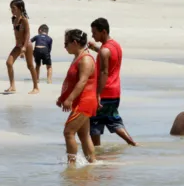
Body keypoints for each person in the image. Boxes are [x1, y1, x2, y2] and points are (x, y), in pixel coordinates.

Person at [88, 18, 137, 147]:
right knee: (113, 119)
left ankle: (95, 152)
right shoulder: (115, 45)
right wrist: (96, 49)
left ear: (103, 32)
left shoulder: (105, 50)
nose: (92, 35)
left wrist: (97, 94)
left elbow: (104, 72)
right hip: (115, 91)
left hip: (104, 92)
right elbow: (108, 55)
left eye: (95, 33)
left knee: (95, 123)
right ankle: (132, 143)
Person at [57, 29, 98, 164]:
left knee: (68, 132)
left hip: (84, 101)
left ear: (74, 42)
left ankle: (72, 165)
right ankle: (92, 163)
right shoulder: (78, 57)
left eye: (66, 43)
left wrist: (69, 99)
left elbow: (82, 82)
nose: (65, 46)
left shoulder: (85, 59)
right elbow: (71, 81)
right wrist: (63, 97)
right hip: (81, 100)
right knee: (84, 135)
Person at [5, 0, 40, 94]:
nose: (12, 10)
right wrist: (18, 46)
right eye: (11, 8)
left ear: (20, 8)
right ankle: (12, 86)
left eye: (14, 8)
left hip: (26, 45)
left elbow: (28, 34)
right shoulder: (13, 19)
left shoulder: (24, 19)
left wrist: (24, 48)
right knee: (9, 63)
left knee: (30, 66)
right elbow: (16, 34)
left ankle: (36, 87)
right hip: (18, 46)